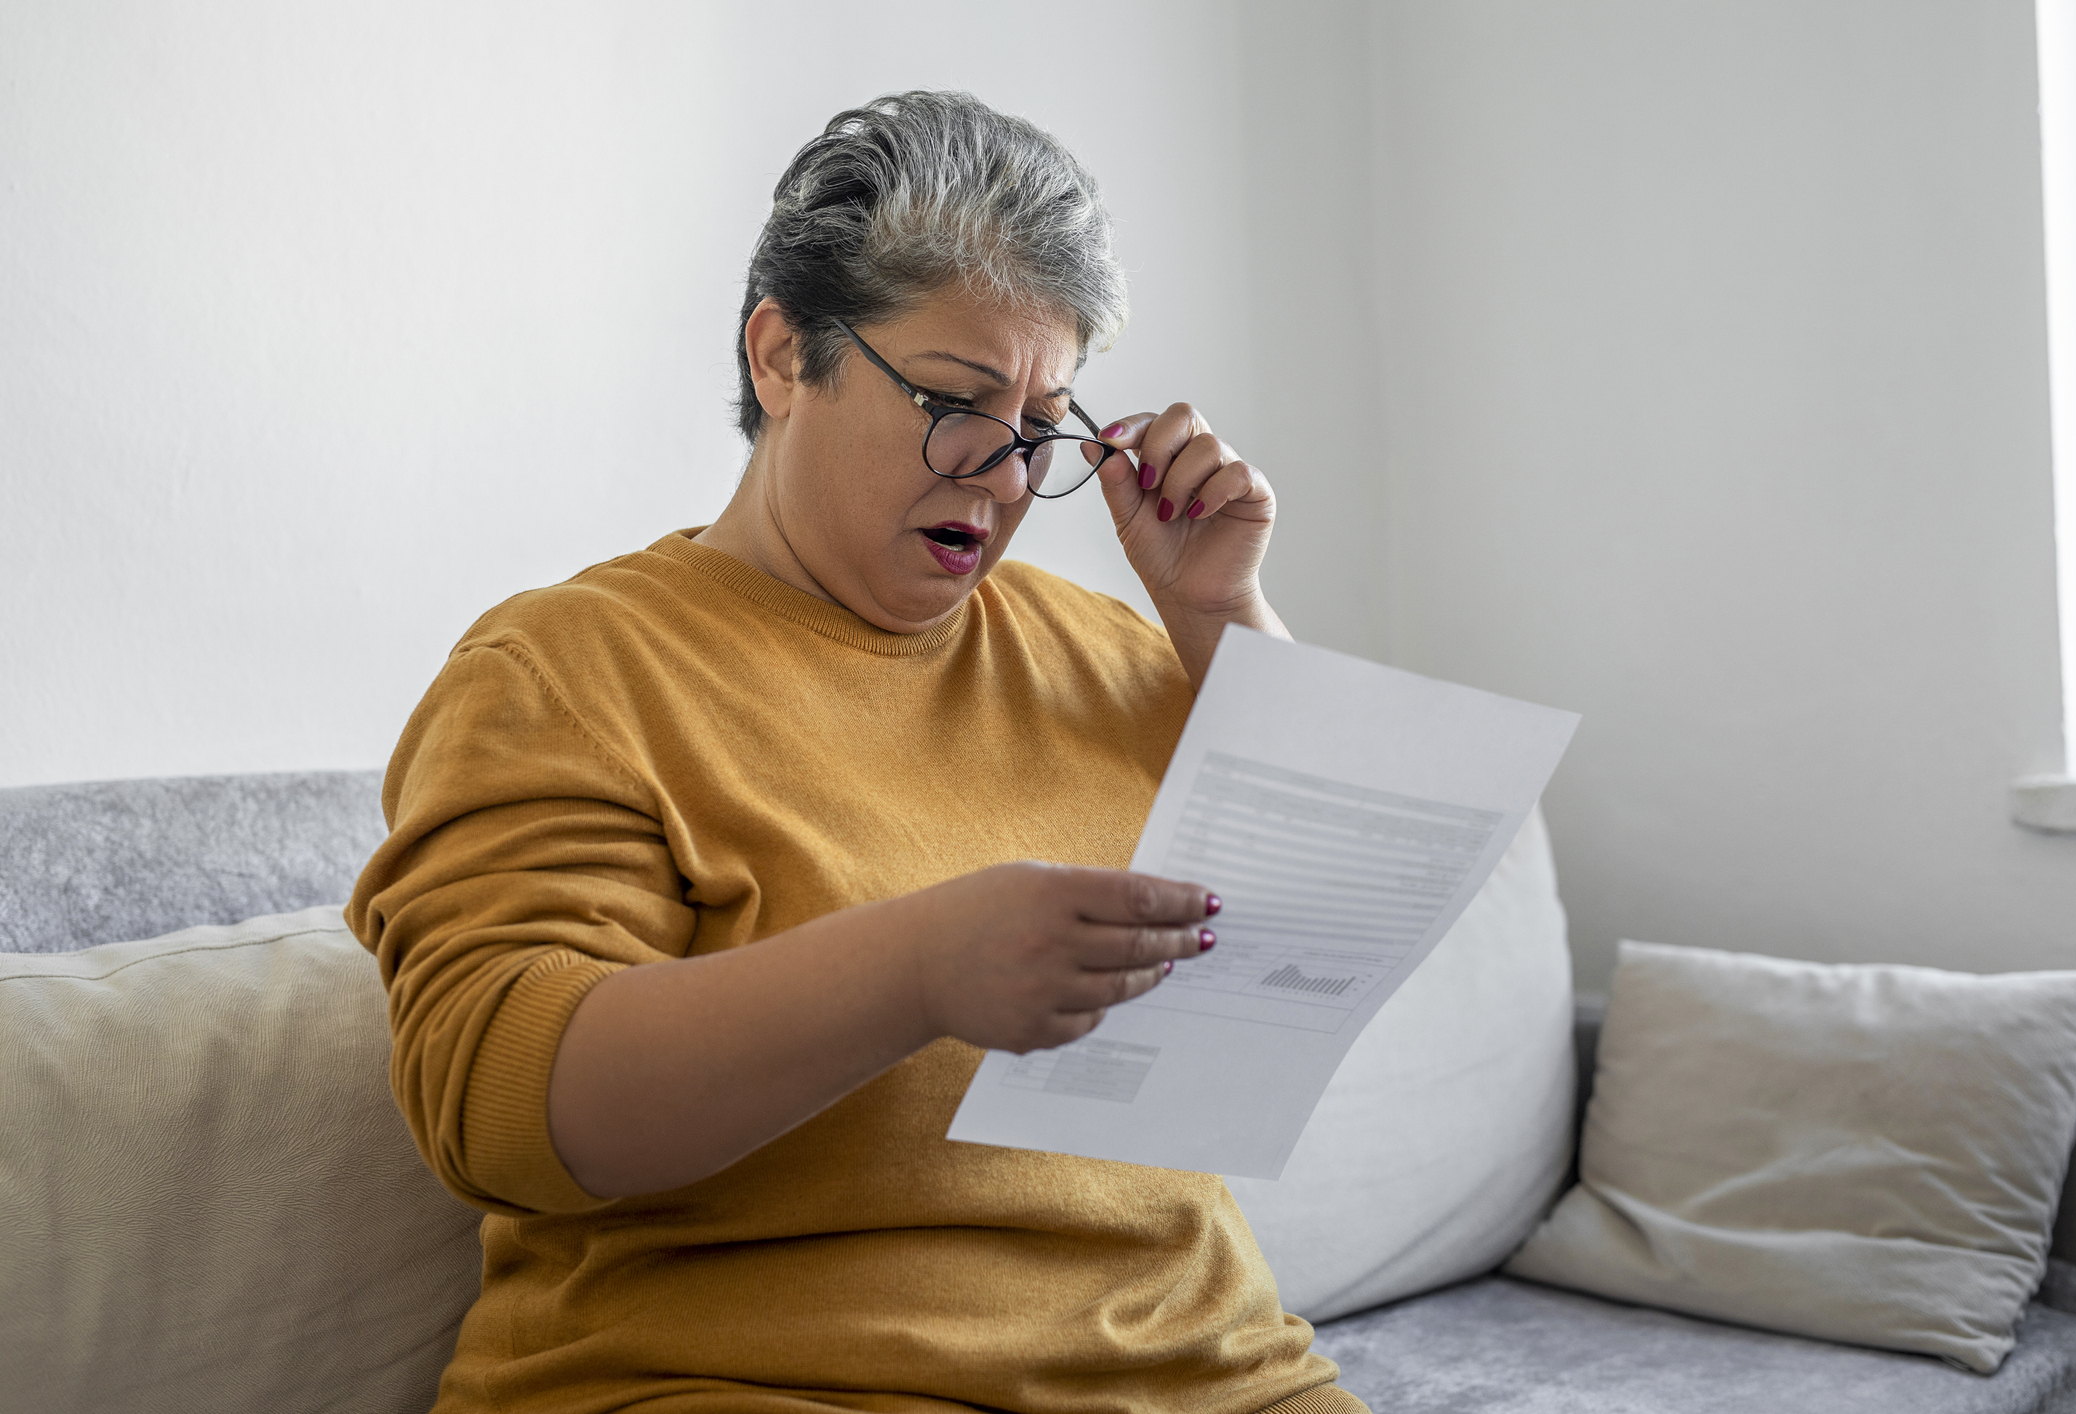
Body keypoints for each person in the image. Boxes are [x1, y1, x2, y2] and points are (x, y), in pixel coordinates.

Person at [348, 91, 1367, 1414]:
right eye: (956, 400)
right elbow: (494, 1111)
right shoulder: (569, 668)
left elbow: (1336, 926)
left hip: (1210, 1378)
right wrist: (921, 966)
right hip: (754, 1381)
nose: (1002, 475)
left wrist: (1221, 614)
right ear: (781, 356)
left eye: (1043, 421)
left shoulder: (1119, 649)